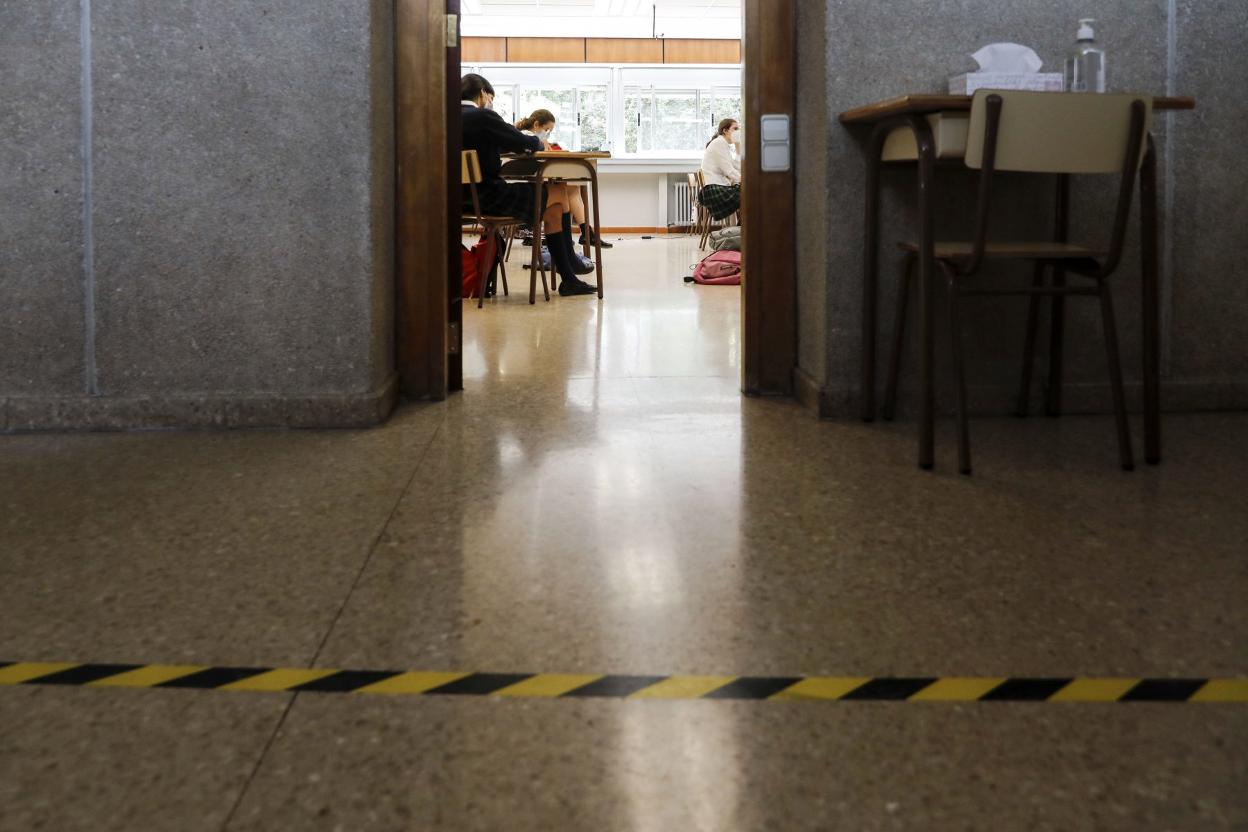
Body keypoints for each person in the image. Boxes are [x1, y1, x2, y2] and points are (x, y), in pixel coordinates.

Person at [461, 74, 596, 297]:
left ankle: (569, 274)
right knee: (559, 193)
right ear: (483, 94)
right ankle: (569, 272)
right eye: (490, 97)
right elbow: (524, 143)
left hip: (455, 200)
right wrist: (538, 141)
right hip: (488, 197)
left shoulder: (443, 116)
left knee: (554, 203)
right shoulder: (482, 116)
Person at [516, 110, 612, 249]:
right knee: (569, 189)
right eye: (546, 129)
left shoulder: (534, 138)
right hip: (529, 182)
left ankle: (585, 233)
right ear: (536, 124)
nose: (547, 133)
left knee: (573, 187)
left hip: (535, 177)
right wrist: (543, 144)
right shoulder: (527, 136)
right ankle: (584, 233)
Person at [699, 118, 742, 221]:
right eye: (735, 129)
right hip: (713, 190)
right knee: (749, 192)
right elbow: (730, 172)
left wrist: (738, 148)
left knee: (749, 192)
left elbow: (735, 168)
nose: (738, 132)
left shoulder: (723, 144)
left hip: (716, 186)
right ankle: (743, 230)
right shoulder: (719, 143)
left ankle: (741, 229)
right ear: (725, 131)